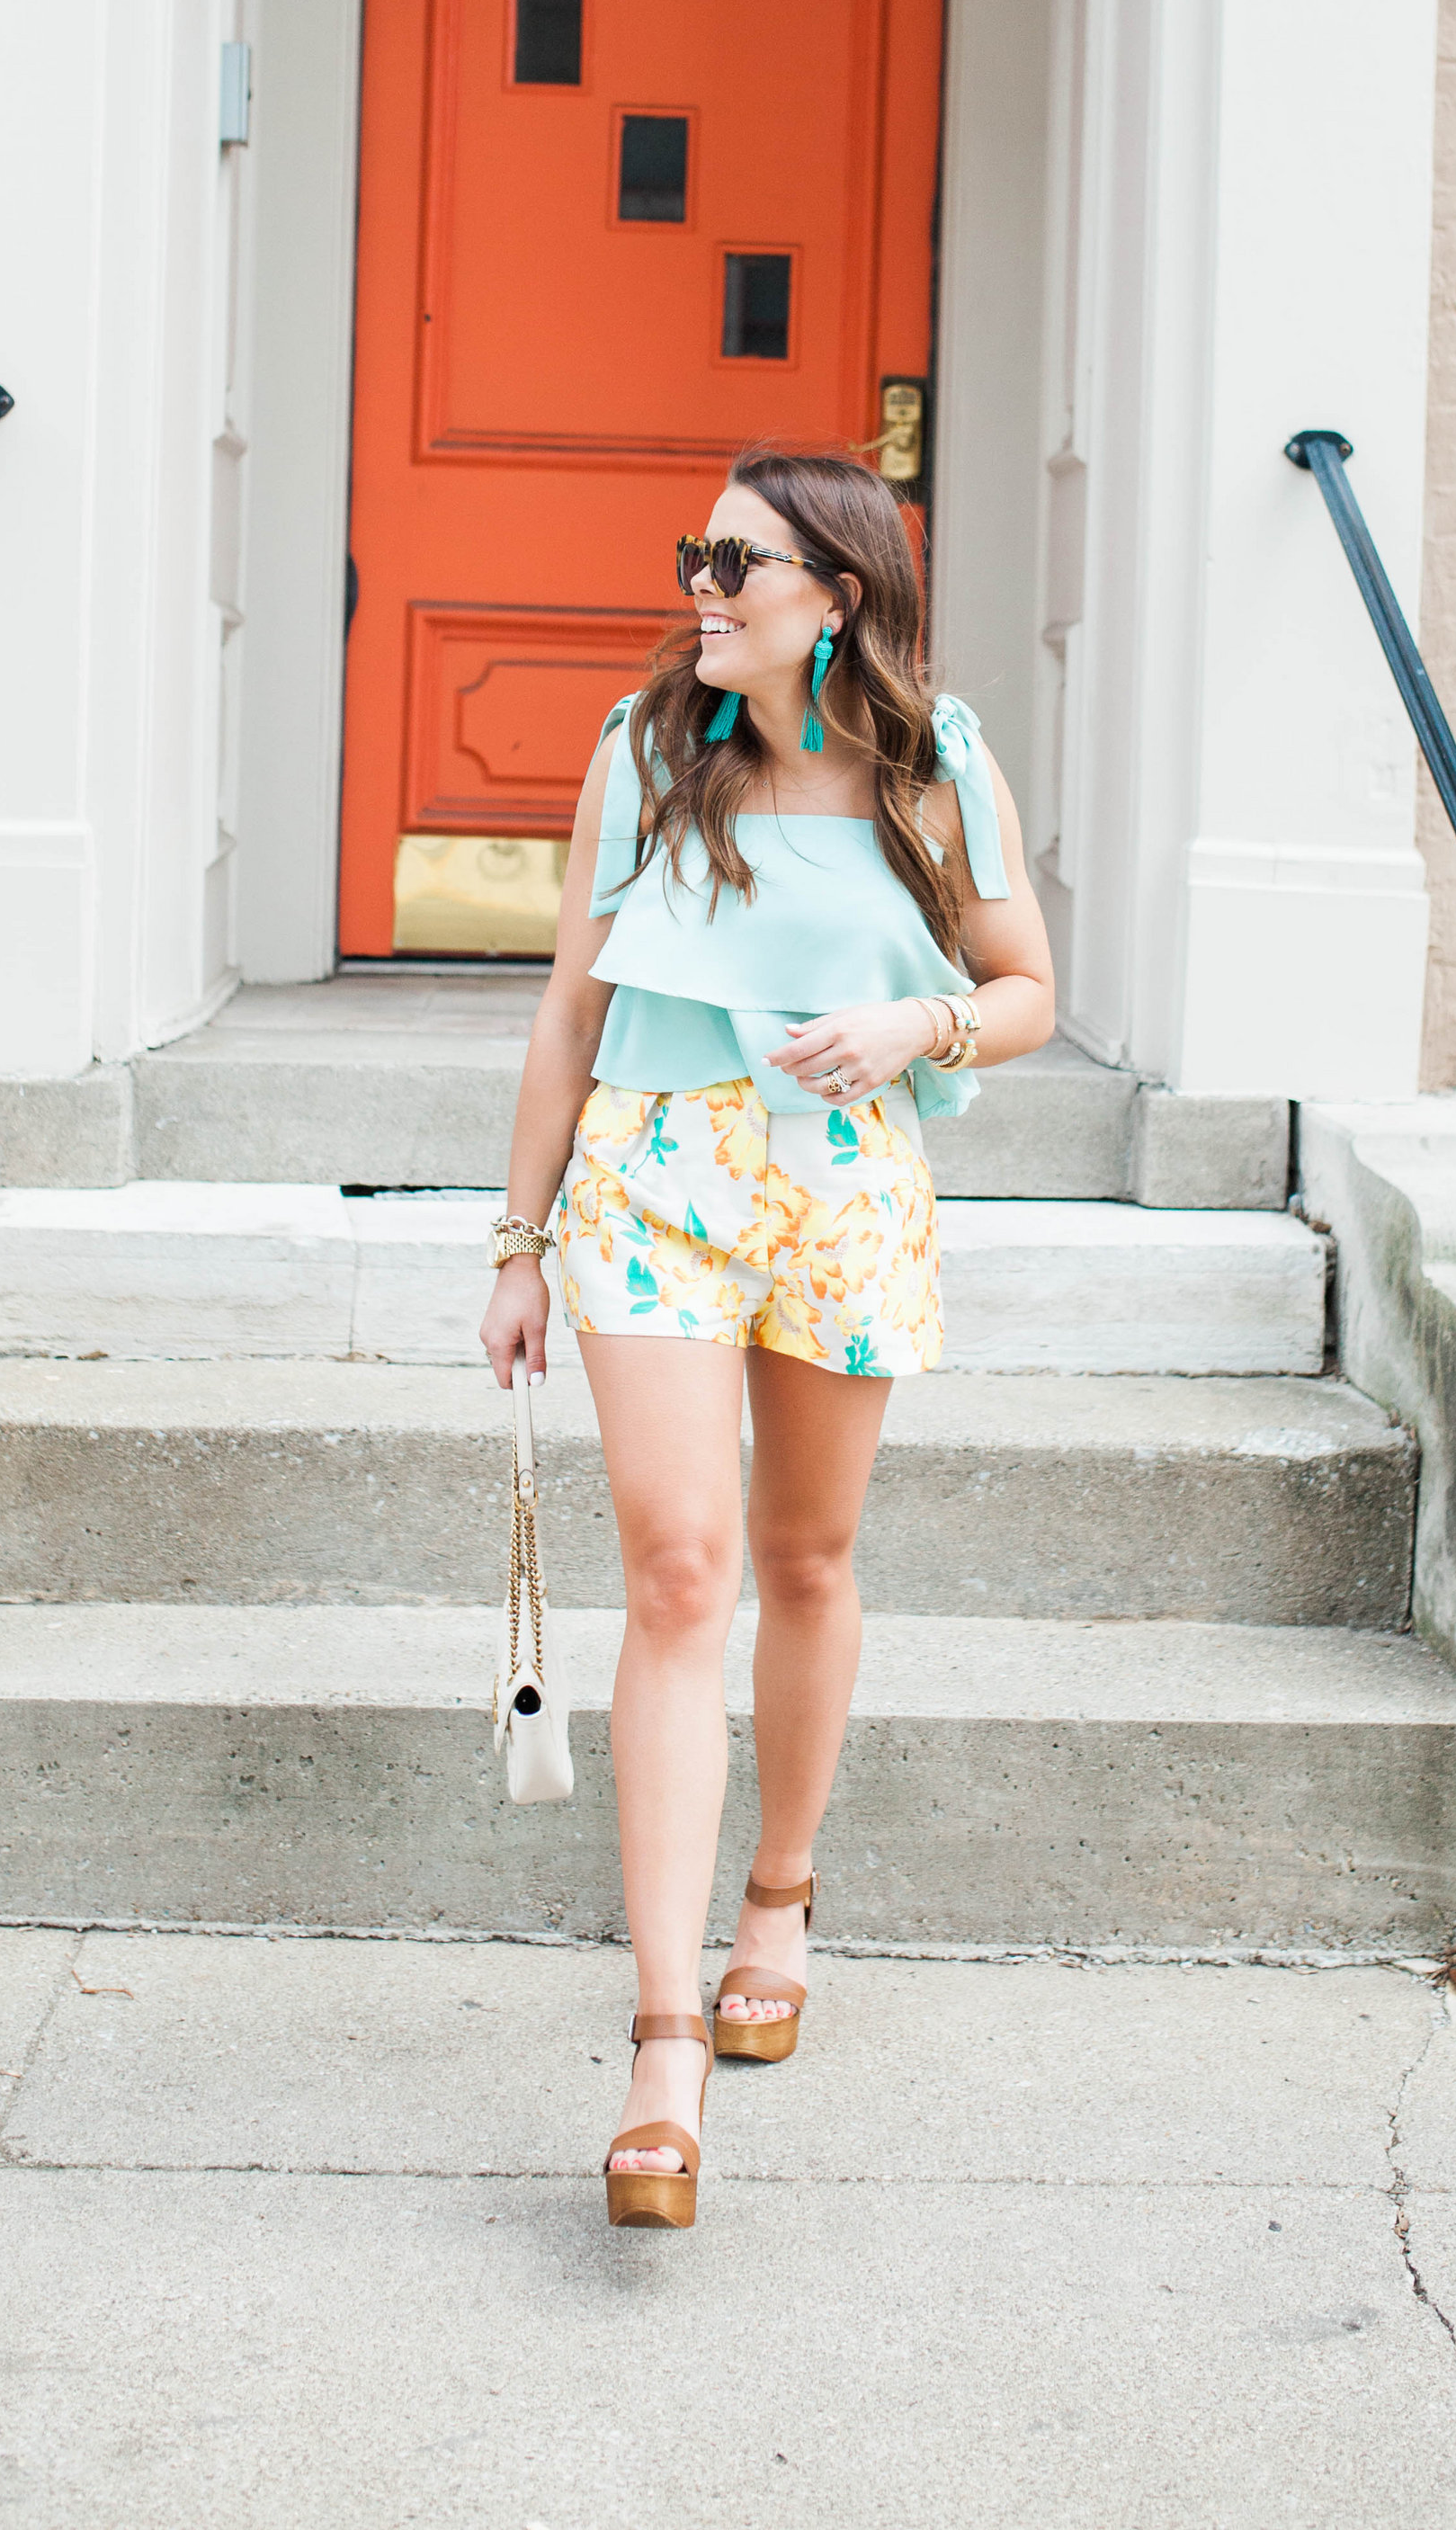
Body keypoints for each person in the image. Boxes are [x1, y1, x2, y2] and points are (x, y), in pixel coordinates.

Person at [475, 445, 1056, 2228]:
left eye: (732, 561)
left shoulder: (932, 760)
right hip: (652, 1179)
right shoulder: (645, 751)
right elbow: (572, 1008)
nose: (697, 586)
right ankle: (661, 2050)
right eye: (696, 555)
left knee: (804, 1556)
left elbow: (1031, 990)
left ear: (839, 589)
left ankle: (778, 1898)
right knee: (675, 1570)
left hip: (843, 1190)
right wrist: (514, 1235)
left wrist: (918, 1024)